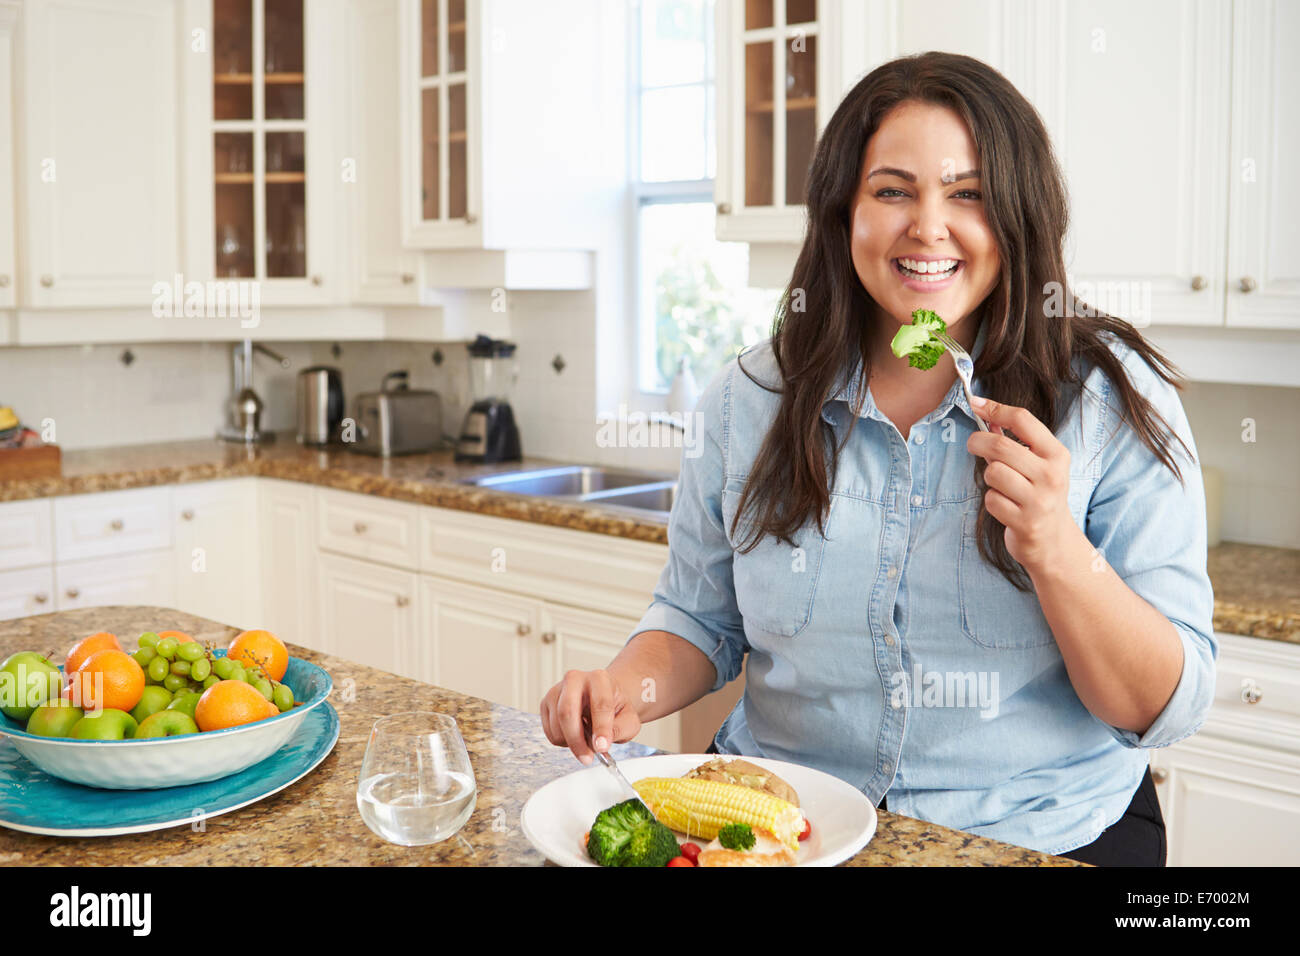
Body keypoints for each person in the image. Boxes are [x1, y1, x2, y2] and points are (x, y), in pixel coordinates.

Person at [539, 51, 1215, 866]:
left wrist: (1058, 550)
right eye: (892, 190)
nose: (927, 226)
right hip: (785, 823)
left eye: (967, 194)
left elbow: (1160, 708)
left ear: (1019, 215)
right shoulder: (746, 399)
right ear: (842, 213)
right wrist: (627, 689)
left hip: (1038, 834)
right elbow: (699, 620)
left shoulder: (1107, 401)